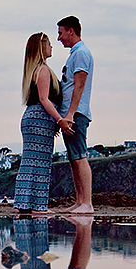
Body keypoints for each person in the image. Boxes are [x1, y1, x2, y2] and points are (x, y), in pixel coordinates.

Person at [13, 32, 66, 216]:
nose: (52, 46)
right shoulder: (42, 70)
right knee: (40, 163)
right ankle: (38, 207)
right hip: (40, 119)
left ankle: (24, 204)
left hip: (33, 118)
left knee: (29, 162)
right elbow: (44, 99)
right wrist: (59, 119)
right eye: (49, 44)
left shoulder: (33, 70)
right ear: (41, 48)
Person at [56, 16, 94, 214]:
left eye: (61, 33)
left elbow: (80, 85)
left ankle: (86, 203)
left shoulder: (81, 54)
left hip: (76, 114)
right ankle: (80, 202)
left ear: (71, 31)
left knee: (79, 157)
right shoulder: (74, 54)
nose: (59, 38)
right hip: (70, 114)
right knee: (73, 159)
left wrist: (70, 113)